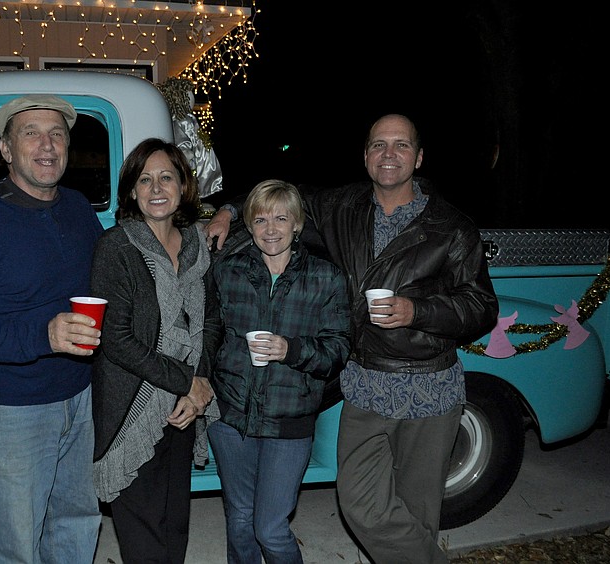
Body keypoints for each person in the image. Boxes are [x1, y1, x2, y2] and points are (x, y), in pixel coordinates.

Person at [206, 114, 499, 564]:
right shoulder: (342, 207)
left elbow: (481, 306)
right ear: (365, 156)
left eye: (401, 145)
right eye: (379, 144)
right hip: (364, 384)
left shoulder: (451, 226)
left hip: (429, 388)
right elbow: (282, 198)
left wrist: (416, 311)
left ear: (418, 157)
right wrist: (228, 210)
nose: (389, 154)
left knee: (417, 513)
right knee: (360, 505)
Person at [0, 95, 104, 563]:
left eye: (57, 134)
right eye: (31, 133)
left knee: (76, 522)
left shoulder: (78, 209)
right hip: (12, 409)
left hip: (80, 398)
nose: (47, 146)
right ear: (6, 150)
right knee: (14, 542)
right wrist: (42, 335)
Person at [90, 137, 223, 563]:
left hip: (182, 406)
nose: (156, 188)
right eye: (144, 180)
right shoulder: (117, 248)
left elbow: (212, 321)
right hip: (134, 407)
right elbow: (118, 340)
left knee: (174, 523)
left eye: (166, 177)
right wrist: (188, 382)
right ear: (131, 190)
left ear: (184, 186)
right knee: (143, 533)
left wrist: (197, 384)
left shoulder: (196, 246)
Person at [209, 179, 350, 563]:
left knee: (269, 527)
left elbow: (338, 351)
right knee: (239, 517)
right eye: (260, 220)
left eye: (280, 218)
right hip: (231, 418)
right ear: (249, 227)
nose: (270, 229)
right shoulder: (228, 271)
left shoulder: (326, 278)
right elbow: (209, 334)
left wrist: (291, 350)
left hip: (289, 421)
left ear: (297, 224)